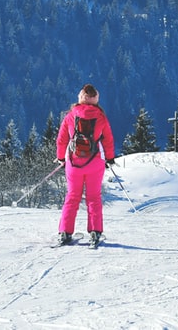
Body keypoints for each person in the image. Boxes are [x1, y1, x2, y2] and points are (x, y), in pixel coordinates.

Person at [55, 83, 116, 246]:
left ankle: (64, 232)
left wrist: (61, 157)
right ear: (96, 100)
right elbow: (108, 139)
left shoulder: (70, 116)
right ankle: (95, 232)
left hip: (73, 163)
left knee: (72, 197)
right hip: (95, 162)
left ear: (80, 98)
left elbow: (61, 140)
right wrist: (110, 158)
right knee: (94, 197)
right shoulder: (101, 117)